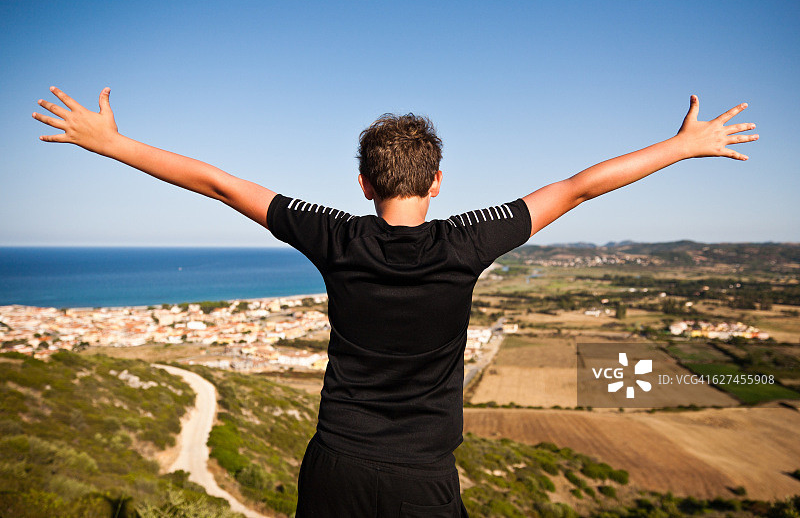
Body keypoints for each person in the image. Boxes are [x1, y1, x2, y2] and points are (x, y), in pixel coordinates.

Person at [32, 88, 757, 517]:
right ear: (437, 182)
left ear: (362, 182)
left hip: (335, 465)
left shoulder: (335, 235)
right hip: (422, 477)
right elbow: (578, 186)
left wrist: (111, 143)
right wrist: (682, 146)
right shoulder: (468, 241)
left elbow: (220, 183)